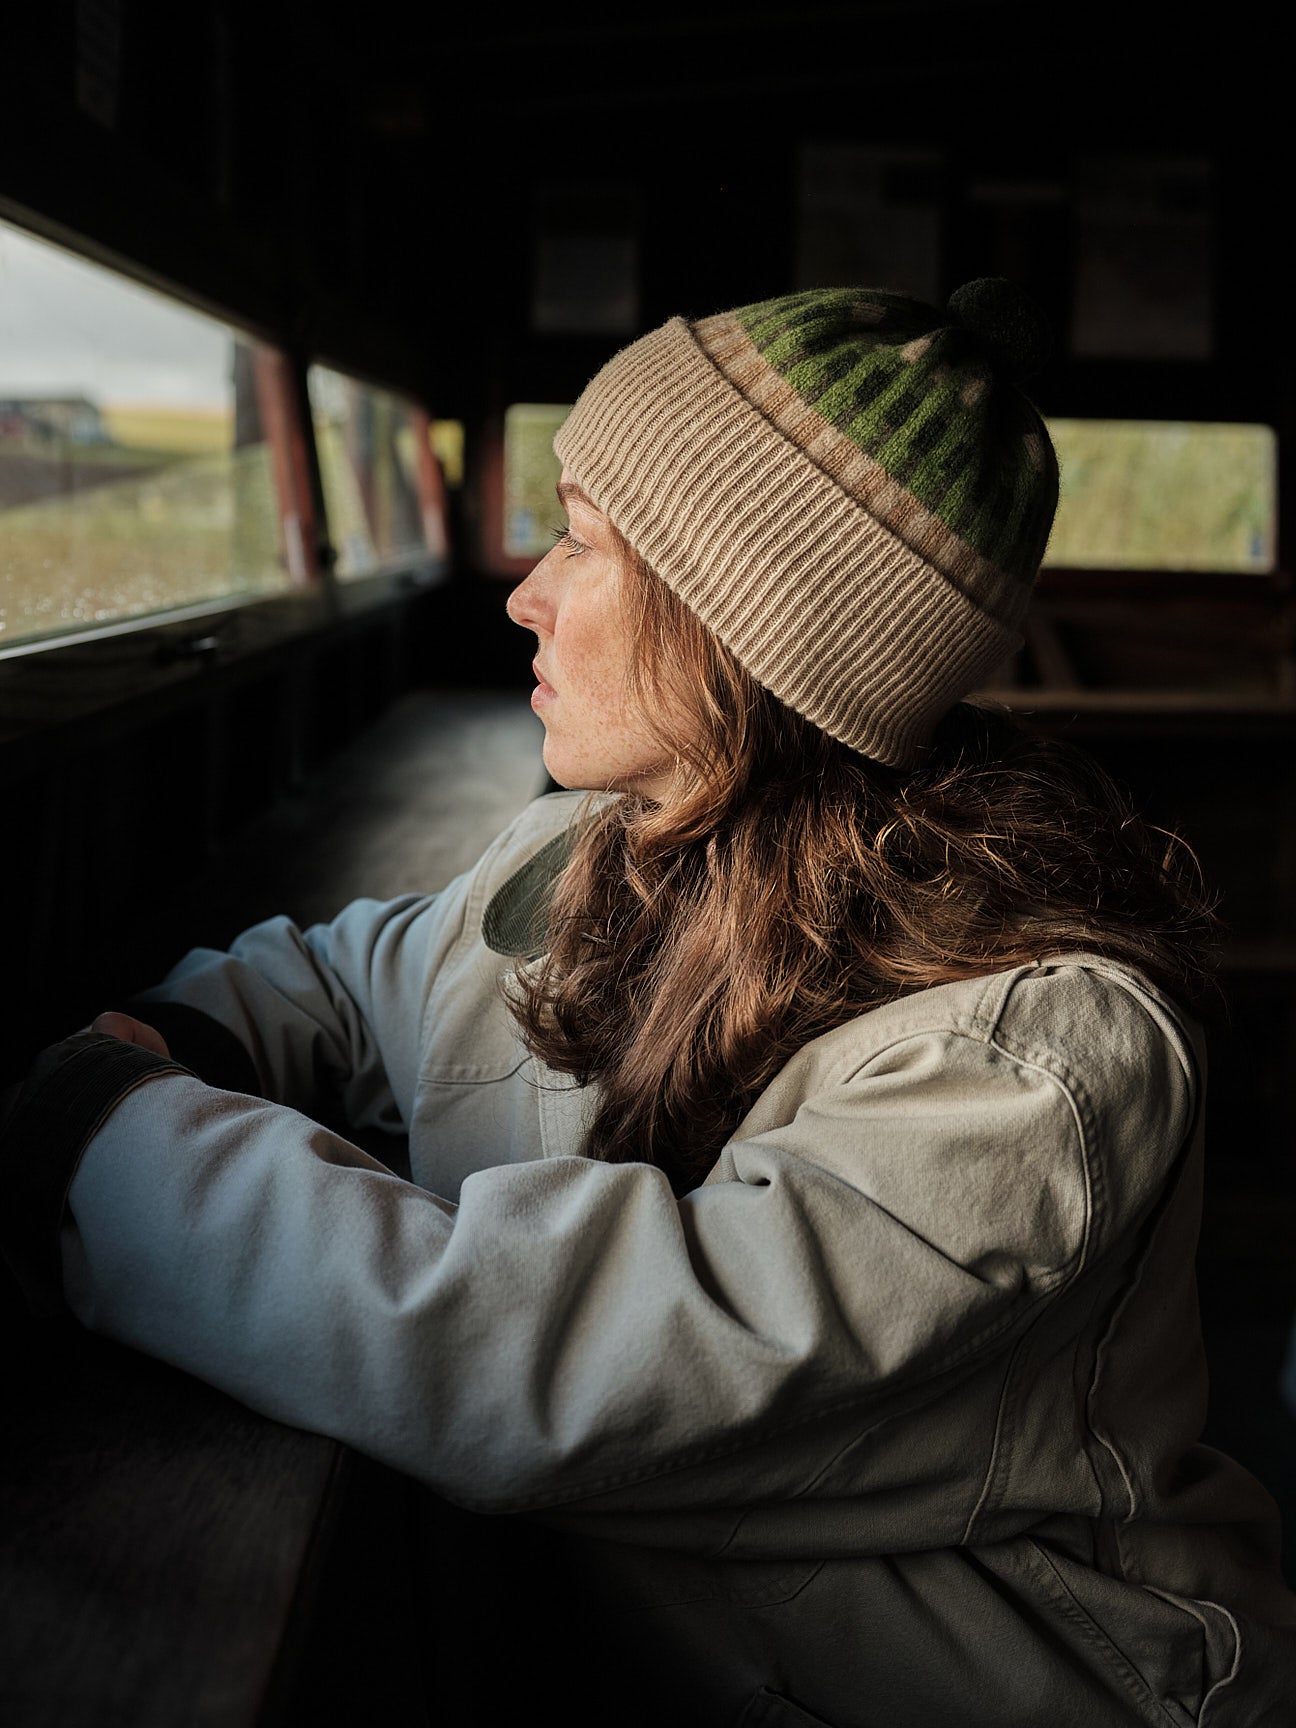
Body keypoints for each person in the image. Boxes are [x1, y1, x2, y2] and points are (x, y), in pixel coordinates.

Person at [2, 280, 1294, 1725]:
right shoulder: (598, 854)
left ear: (745, 628)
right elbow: (359, 982)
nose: (525, 593)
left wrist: (94, 1138)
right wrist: (180, 1040)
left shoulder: (1033, 1068)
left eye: (583, 539)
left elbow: (549, 1366)